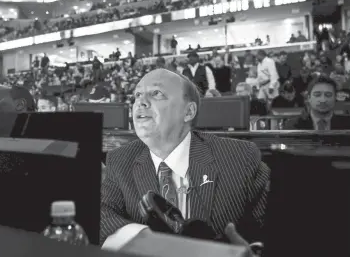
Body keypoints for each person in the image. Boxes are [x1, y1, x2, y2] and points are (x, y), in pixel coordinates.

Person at [101, 69, 270, 254]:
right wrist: (149, 240)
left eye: (157, 93)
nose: (140, 102)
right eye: (138, 95)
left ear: (188, 112)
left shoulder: (239, 157)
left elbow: (278, 227)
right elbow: (103, 215)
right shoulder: (119, 159)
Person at [284, 75, 350, 130]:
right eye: (317, 95)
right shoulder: (292, 126)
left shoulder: (347, 125)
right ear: (308, 98)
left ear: (335, 98)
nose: (323, 100)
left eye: (328, 95)